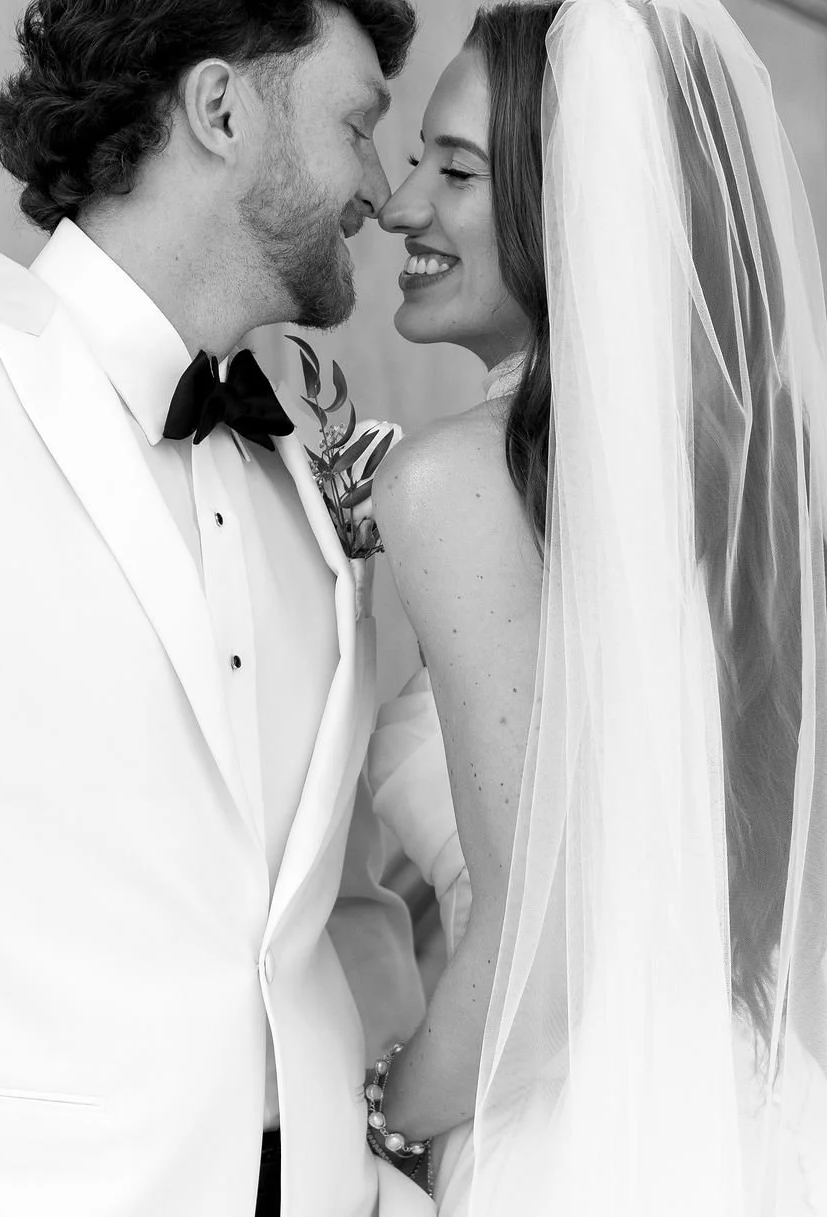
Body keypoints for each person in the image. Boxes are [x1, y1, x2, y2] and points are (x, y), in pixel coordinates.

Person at [0, 2, 434, 1215]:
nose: (376, 185)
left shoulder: (303, 478)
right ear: (220, 109)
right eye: (357, 126)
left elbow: (328, 916)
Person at [364, 0, 827, 1212]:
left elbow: (547, 950)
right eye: (413, 161)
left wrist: (377, 1110)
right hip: (755, 1122)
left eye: (454, 171)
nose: (400, 206)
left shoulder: (451, 484)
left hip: (576, 1143)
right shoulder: (752, 491)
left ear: (567, 200)